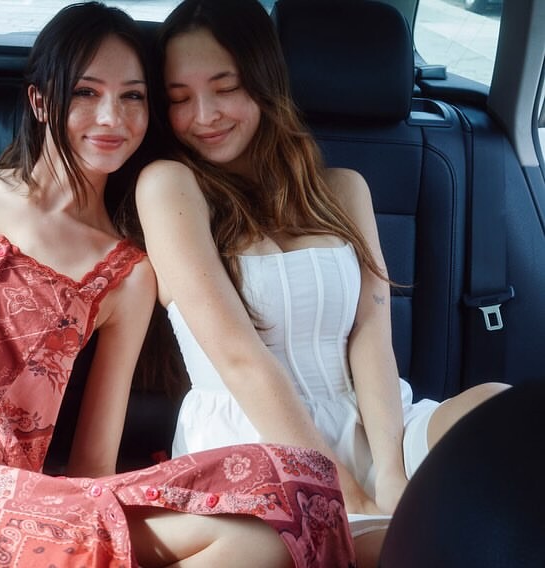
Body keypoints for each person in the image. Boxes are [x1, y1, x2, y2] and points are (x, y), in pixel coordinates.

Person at [0, 3, 356, 566]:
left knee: (280, 507)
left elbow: (94, 465)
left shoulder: (127, 272)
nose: (111, 117)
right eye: (86, 92)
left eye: (133, 97)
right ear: (40, 101)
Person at [131, 0, 509, 564]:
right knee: (396, 546)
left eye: (225, 87)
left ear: (265, 80)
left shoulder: (344, 189)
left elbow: (371, 337)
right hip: (259, 440)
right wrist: (343, 492)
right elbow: (239, 356)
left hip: (373, 421)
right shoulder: (169, 186)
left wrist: (391, 474)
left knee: (504, 412)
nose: (203, 115)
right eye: (179, 99)